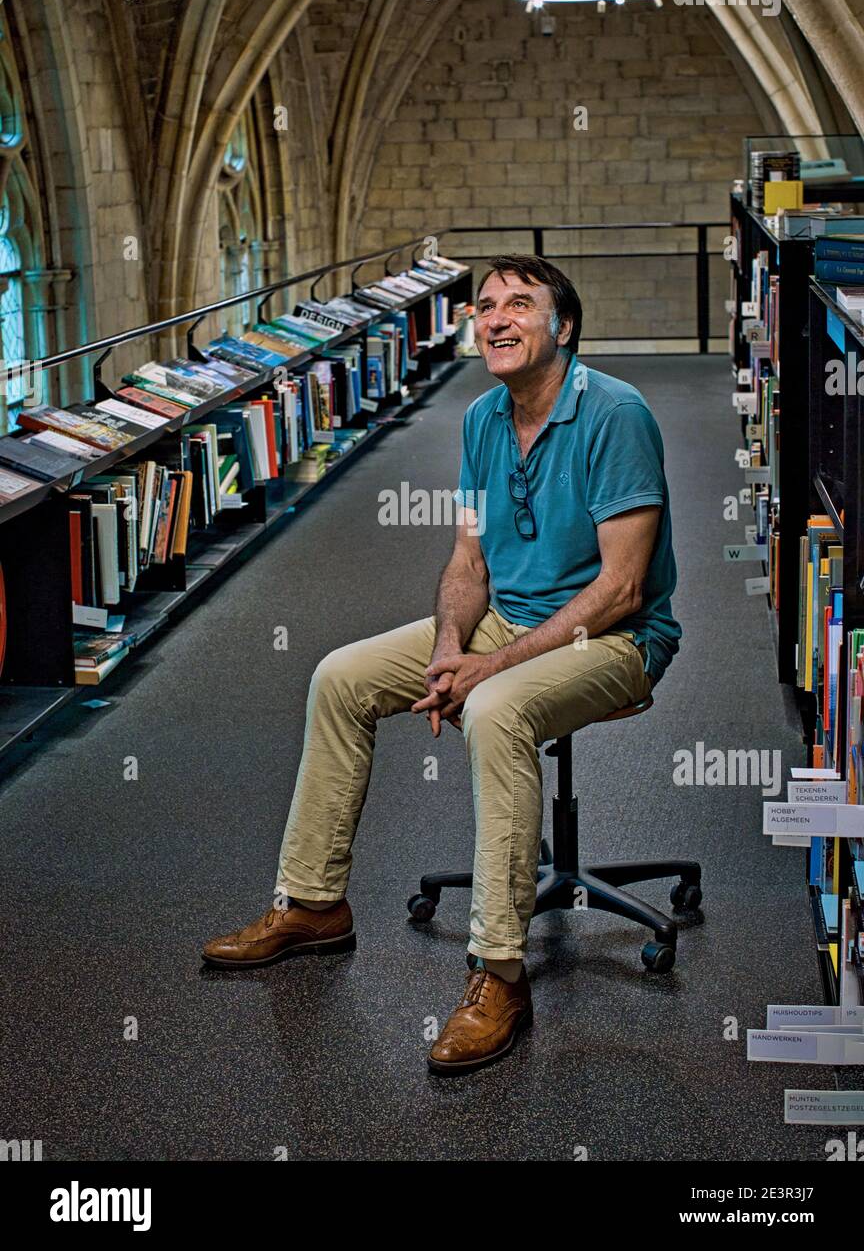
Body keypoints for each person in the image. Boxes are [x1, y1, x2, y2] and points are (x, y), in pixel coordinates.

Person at [202, 253, 682, 1074]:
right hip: (505, 623)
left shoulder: (615, 413)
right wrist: (451, 649)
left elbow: (623, 588)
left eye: (518, 304)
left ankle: (498, 971)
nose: (494, 318)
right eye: (485, 305)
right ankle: (313, 903)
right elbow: (468, 560)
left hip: (615, 643)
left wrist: (489, 673)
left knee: (496, 713)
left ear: (562, 328)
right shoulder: (482, 420)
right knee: (339, 677)